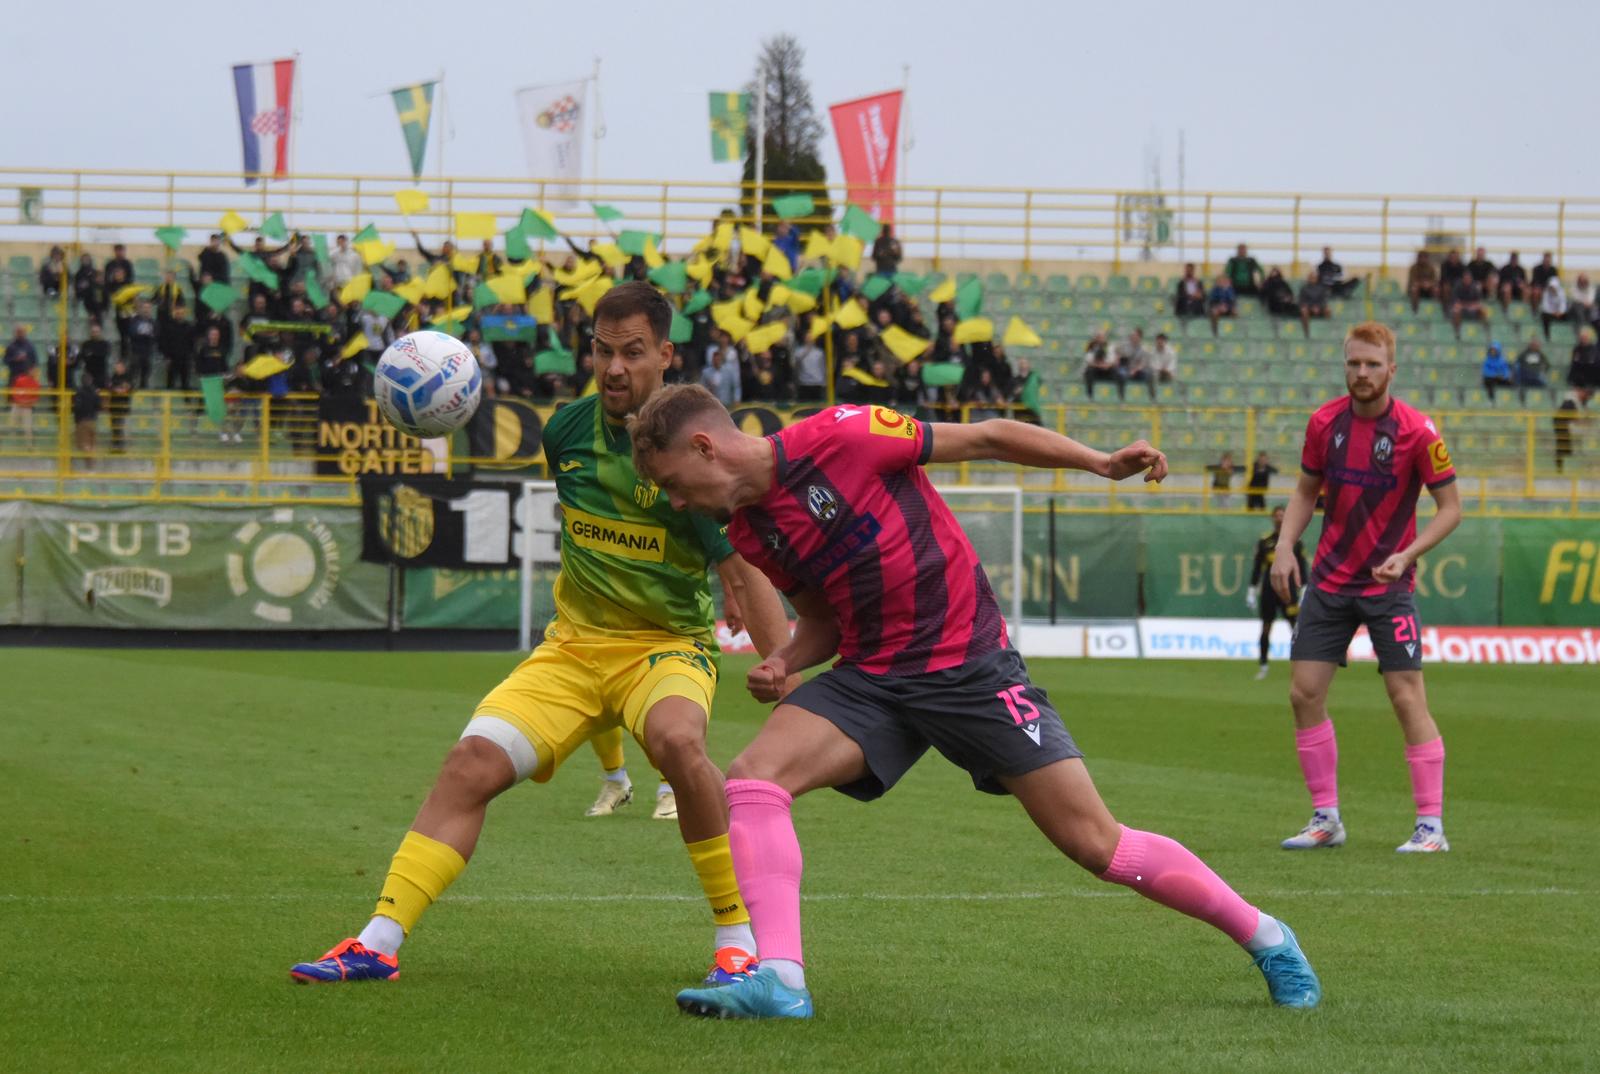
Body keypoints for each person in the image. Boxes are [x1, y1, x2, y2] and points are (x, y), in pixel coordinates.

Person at [629, 386, 1321, 1020]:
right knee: (754, 779)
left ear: (704, 447)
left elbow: (988, 437)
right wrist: (786, 659)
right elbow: (825, 621)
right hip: (874, 675)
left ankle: (1267, 935)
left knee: (1096, 844)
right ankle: (780, 977)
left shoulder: (844, 434)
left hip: (971, 668)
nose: (678, 502)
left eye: (672, 484)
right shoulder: (752, 531)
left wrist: (1101, 464)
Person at [288, 283, 793, 988]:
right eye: (603, 351)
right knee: (470, 763)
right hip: (574, 649)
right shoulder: (565, 434)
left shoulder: (696, 450)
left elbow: (745, 562)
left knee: (680, 743)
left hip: (665, 647)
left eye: (634, 353)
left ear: (666, 356)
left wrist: (786, 682)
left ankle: (736, 942)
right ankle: (377, 942)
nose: (615, 369)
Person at [1269, 321, 1462, 854]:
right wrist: (1286, 544)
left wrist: (1407, 555)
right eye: (1354, 363)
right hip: (1330, 581)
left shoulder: (1419, 433)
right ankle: (1326, 818)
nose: (1361, 373)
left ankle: (1430, 827)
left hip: (1387, 585)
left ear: (1391, 370)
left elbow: (1451, 510)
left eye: (1372, 364)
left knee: (1405, 697)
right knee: (1303, 693)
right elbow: (1307, 490)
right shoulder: (1324, 423)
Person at [1247, 506, 1306, 681]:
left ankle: (1301, 667)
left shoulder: (1295, 541)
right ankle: (1263, 666)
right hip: (1269, 590)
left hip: (1288, 590)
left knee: (1296, 628)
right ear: (1272, 518)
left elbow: (1302, 567)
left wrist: (1304, 587)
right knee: (1266, 627)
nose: (1280, 518)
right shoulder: (1264, 541)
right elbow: (1258, 567)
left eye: (1283, 515)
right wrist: (1251, 589)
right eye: (1277, 515)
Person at [1081, 330, 1124, 400]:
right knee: (1089, 371)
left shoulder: (1110, 346)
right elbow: (1089, 361)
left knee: (1119, 375)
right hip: (1096, 369)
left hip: (1107, 369)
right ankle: (1090, 396)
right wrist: (1099, 365)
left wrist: (1107, 365)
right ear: (1096, 338)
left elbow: (1113, 361)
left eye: (1102, 337)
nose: (1101, 339)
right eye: (1099, 337)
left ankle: (1120, 397)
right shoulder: (1091, 346)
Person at [71, 371, 101, 469]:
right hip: (92, 420)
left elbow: (76, 407)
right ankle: (92, 462)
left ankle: (90, 462)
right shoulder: (95, 392)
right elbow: (98, 406)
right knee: (92, 443)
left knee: (83, 444)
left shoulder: (79, 393)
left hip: (82, 421)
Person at [1538, 276, 1568, 340]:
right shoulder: (1546, 292)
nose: (1552, 289)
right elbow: (1545, 307)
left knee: (1568, 315)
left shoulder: (1561, 292)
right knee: (1544, 316)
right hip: (1550, 314)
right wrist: (1553, 313)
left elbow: (1563, 305)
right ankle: (1547, 335)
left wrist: (1560, 312)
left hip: (1559, 314)